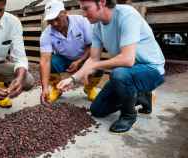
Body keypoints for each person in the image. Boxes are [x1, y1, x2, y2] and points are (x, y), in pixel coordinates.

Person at [57, 0, 165, 133]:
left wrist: (96, 65)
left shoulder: (127, 15)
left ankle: (128, 115)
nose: (84, 14)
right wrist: (73, 79)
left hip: (152, 70)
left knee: (119, 74)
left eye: (86, 9)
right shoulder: (97, 27)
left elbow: (127, 59)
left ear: (102, 2)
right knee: (97, 110)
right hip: (129, 73)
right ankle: (142, 96)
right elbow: (93, 59)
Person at [40, 0, 103, 106]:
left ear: (64, 13)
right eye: (50, 21)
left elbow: (90, 45)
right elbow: (45, 61)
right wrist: (45, 88)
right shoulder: (46, 34)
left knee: (98, 68)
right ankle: (56, 88)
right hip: (63, 59)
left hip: (83, 58)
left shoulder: (82, 22)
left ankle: (89, 88)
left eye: (57, 19)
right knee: (51, 63)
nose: (54, 24)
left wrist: (79, 61)